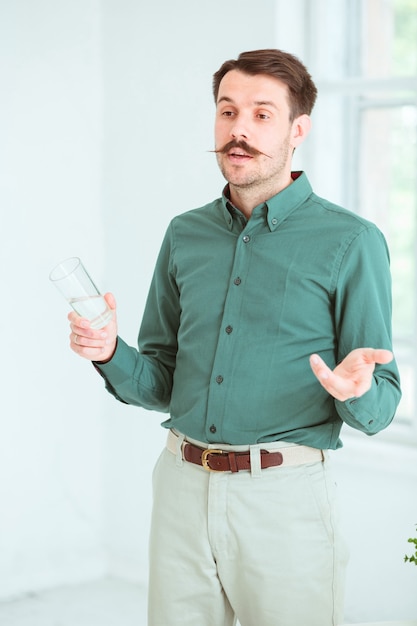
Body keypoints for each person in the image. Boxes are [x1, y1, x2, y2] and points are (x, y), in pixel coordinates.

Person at [68, 49, 401, 626]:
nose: (238, 130)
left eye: (261, 114)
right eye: (227, 112)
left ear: (299, 130)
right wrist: (108, 352)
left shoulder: (352, 241)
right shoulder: (185, 234)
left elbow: (380, 404)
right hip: (179, 488)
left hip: (284, 499)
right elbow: (161, 380)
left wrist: (355, 392)